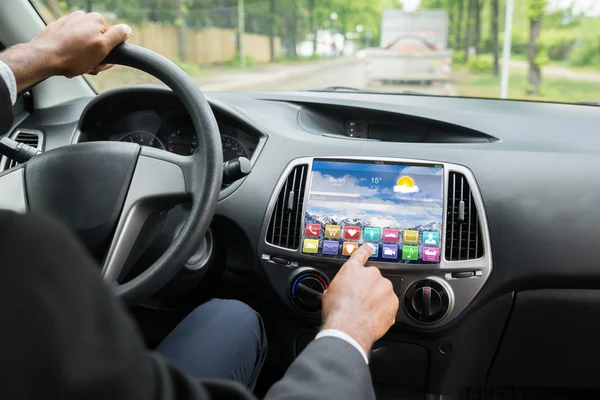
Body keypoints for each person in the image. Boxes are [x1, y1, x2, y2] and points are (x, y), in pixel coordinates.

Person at [0, 11, 400, 400]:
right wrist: (348, 330)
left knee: (229, 315)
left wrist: (38, 57)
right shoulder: (29, 262)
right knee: (234, 316)